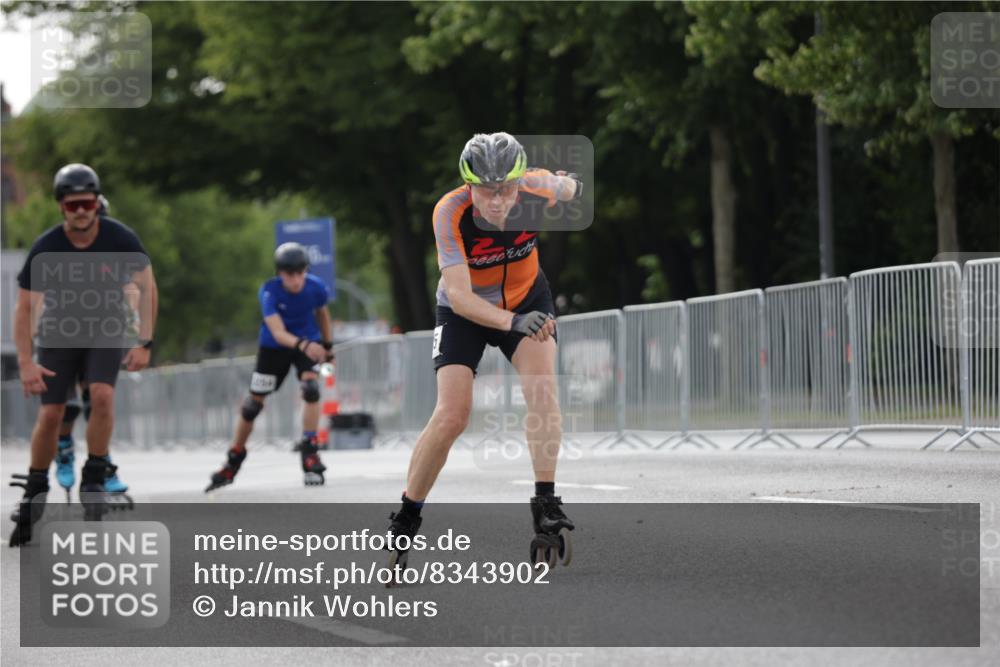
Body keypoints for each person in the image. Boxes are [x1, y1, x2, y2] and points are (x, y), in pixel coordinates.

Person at [386, 132, 584, 575]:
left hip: (527, 299)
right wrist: (510, 322)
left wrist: (569, 185)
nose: (498, 201)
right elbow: (458, 296)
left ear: (519, 182)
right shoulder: (449, 212)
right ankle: (407, 513)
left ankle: (546, 505)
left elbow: (566, 187)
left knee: (543, 391)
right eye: (487, 191)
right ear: (468, 186)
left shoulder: (536, 188)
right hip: (467, 309)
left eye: (507, 189)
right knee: (453, 413)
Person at [10, 164, 157, 545]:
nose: (80, 211)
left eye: (87, 203)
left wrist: (144, 342)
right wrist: (26, 363)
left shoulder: (120, 238)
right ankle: (35, 487)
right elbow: (24, 308)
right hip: (59, 332)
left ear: (96, 204)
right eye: (72, 204)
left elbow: (146, 286)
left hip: (106, 329)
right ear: (61, 206)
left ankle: (95, 473)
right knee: (52, 412)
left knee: (103, 394)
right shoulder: (47, 247)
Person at [206, 242, 335, 491]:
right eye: (290, 274)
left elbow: (322, 315)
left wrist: (327, 347)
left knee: (311, 389)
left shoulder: (316, 287)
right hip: (275, 348)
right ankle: (234, 455)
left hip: (308, 343)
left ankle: (310, 449)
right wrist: (306, 345)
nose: (296, 280)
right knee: (253, 405)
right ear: (279, 273)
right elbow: (277, 333)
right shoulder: (270, 292)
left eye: (300, 273)